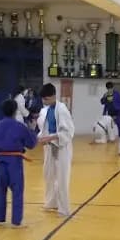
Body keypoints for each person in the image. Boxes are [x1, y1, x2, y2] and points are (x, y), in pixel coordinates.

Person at [0, 99, 38, 227]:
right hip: (14, 162)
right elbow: (31, 144)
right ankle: (16, 221)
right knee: (17, 190)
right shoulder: (20, 126)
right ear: (15, 111)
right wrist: (32, 129)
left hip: (1, 161)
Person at [37, 83, 74, 216]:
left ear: (53, 96)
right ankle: (51, 202)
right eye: (43, 99)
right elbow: (44, 129)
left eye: (46, 99)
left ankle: (64, 208)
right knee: (48, 174)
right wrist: (41, 138)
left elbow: (68, 132)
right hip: (50, 146)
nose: (44, 101)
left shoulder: (62, 109)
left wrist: (50, 137)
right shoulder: (46, 110)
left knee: (62, 178)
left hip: (62, 147)